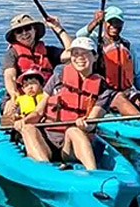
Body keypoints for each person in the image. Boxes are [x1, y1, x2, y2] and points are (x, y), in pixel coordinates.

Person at [13, 37, 116, 171]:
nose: (79, 57)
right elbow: (38, 112)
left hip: (71, 146)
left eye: (84, 53)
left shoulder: (103, 89)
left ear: (95, 56)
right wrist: (24, 121)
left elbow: (92, 120)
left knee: (74, 130)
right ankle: (45, 169)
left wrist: (85, 124)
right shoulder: (57, 78)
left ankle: (93, 173)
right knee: (28, 128)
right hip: (48, 140)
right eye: (75, 53)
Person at [75, 5, 140, 116]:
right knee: (125, 104)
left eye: (118, 22)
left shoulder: (127, 46)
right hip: (105, 93)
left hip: (127, 90)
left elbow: (138, 74)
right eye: (110, 22)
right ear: (104, 23)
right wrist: (95, 22)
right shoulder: (96, 42)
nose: (114, 26)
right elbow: (79, 35)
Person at [1, 13, 71, 117]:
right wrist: (13, 95)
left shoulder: (48, 51)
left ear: (35, 30)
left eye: (28, 28)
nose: (24, 33)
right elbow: (9, 76)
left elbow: (71, 53)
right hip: (22, 96)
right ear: (15, 36)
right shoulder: (12, 53)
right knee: (10, 112)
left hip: (46, 95)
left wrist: (58, 28)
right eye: (19, 31)